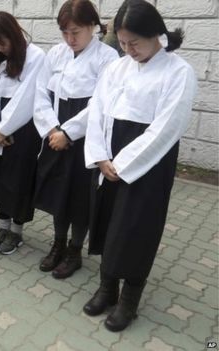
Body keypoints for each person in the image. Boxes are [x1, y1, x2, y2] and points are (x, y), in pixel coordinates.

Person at [82, 0, 197, 332]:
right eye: (122, 42)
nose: (128, 49)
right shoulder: (116, 68)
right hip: (108, 157)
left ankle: (129, 300)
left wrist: (122, 163)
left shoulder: (178, 71)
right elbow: (98, 109)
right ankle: (107, 289)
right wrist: (101, 155)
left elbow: (166, 128)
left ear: (155, 34)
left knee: (136, 230)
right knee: (107, 222)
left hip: (147, 164)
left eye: (135, 42)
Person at [32, 0, 118, 278]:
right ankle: (57, 243)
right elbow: (40, 93)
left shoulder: (108, 58)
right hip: (54, 130)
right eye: (65, 32)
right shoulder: (55, 54)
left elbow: (101, 103)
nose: (70, 39)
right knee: (59, 192)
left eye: (76, 32)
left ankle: (75, 250)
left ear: (93, 26)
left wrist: (69, 132)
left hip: (85, 136)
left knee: (80, 197)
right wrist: (52, 130)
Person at [0, 12, 45, 255]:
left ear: (14, 35)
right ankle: (2, 226)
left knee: (19, 180)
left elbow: (27, 96)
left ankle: (16, 231)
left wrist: (5, 128)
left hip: (22, 128)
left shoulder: (36, 56)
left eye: (2, 42)